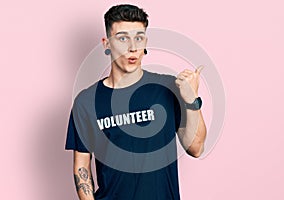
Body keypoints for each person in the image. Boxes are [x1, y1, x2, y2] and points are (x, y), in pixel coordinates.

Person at [65, 4, 207, 200]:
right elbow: (81, 164)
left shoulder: (168, 88)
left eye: (138, 38)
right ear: (107, 44)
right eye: (123, 38)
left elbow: (196, 148)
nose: (132, 48)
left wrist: (191, 99)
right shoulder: (86, 102)